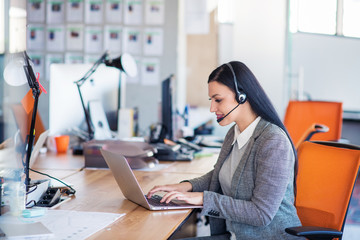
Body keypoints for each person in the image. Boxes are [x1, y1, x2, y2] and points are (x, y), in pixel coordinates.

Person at [147, 61, 302, 239]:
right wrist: (185, 187)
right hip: (236, 235)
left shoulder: (273, 141)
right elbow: (221, 175)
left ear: (242, 96)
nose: (213, 108)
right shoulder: (233, 133)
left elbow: (261, 214)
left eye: (218, 100)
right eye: (211, 100)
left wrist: (203, 199)